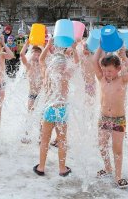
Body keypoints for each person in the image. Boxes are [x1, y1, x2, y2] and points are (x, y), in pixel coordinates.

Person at [93, 47, 128, 189]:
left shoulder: (122, 80)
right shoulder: (101, 79)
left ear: (118, 69)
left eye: (110, 71)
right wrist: (100, 47)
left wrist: (124, 57)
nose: (106, 74)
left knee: (117, 149)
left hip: (118, 119)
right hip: (104, 118)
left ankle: (118, 176)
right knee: (102, 145)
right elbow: (95, 62)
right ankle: (108, 168)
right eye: (105, 70)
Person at [33, 38, 79, 177]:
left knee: (45, 139)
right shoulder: (65, 74)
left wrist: (48, 45)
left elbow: (41, 59)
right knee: (62, 140)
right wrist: (74, 48)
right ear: (64, 66)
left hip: (49, 109)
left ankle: (41, 167)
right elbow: (77, 62)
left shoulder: (47, 72)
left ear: (51, 64)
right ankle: (62, 169)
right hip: (62, 109)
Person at [20, 40, 43, 144]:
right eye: (35, 53)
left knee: (42, 116)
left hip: (41, 94)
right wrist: (26, 43)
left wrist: (47, 45)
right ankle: (26, 134)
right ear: (31, 54)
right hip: (32, 94)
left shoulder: (43, 66)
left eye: (39, 54)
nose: (37, 56)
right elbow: (21, 54)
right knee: (29, 113)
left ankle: (41, 136)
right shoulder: (29, 65)